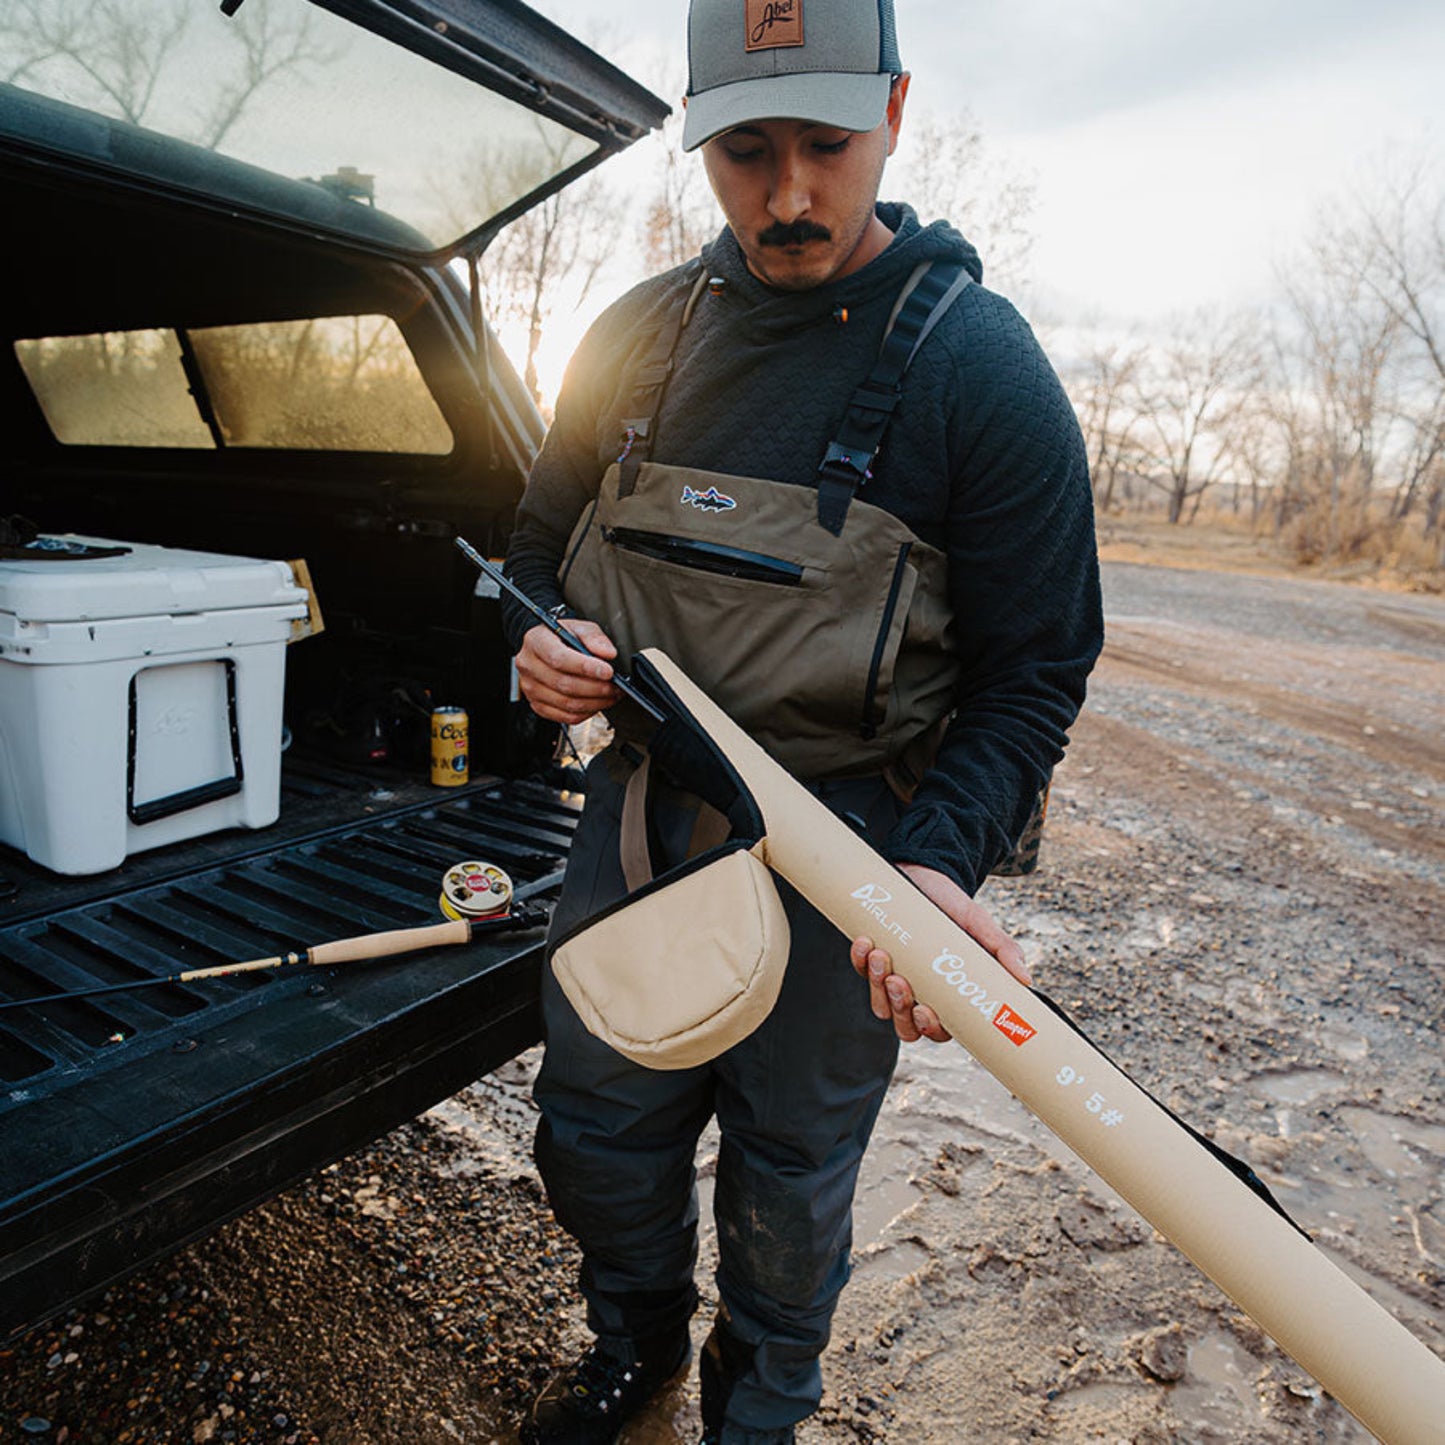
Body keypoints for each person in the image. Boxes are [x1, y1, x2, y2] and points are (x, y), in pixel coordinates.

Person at [500, 0, 1103, 1439]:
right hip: (645, 816)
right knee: (599, 1130)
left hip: (854, 845)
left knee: (789, 1170)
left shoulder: (982, 370)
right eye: (743, 152)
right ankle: (631, 1346)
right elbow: (524, 551)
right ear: (697, 144)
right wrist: (537, 640)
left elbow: (1036, 667)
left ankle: (757, 1410)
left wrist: (940, 863)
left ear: (893, 112)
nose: (785, 196)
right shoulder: (635, 336)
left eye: (823, 146)